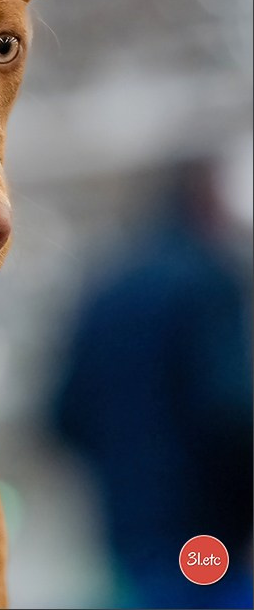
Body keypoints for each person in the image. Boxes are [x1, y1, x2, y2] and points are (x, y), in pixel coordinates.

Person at [53, 161, 253, 609]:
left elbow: (64, 412)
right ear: (208, 203)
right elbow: (227, 409)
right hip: (205, 531)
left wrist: (122, 468)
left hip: (127, 527)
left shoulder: (106, 288)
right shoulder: (208, 281)